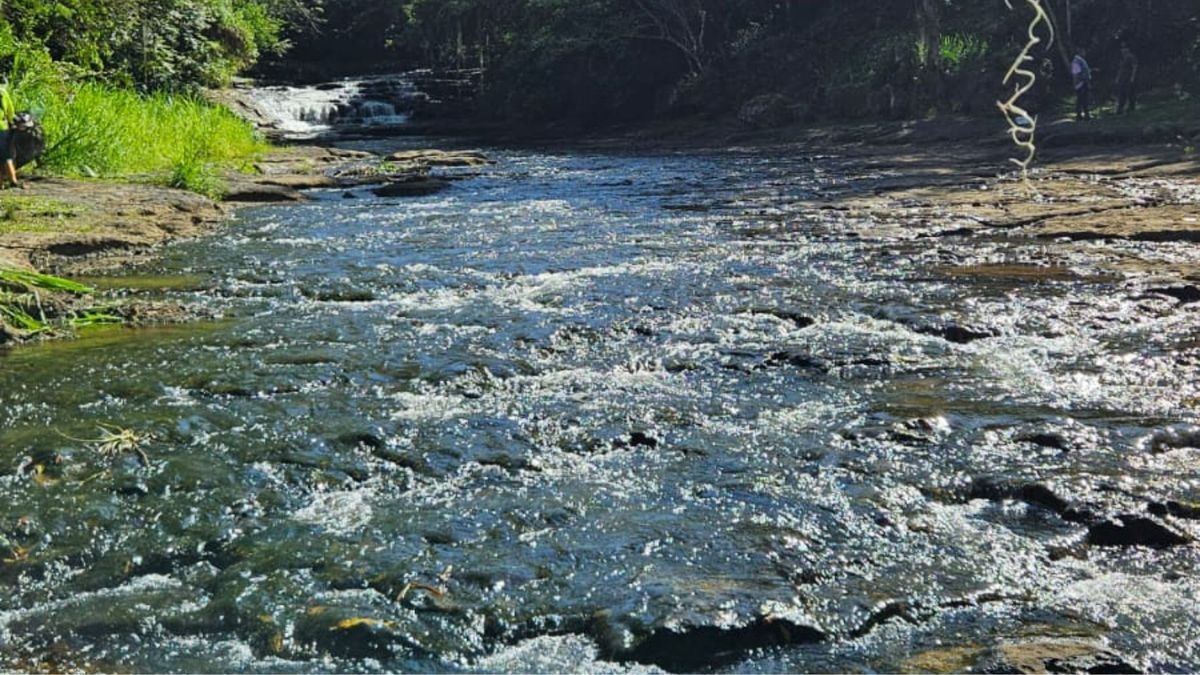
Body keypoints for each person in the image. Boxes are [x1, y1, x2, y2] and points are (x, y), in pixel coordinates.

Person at [1115, 43, 1139, 114]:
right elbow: (1120, 69)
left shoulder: (1131, 57)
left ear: (1128, 49)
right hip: (1123, 78)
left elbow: (1135, 67)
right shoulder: (1122, 58)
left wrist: (1132, 77)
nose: (1123, 50)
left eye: (1125, 48)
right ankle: (1120, 108)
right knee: (1122, 93)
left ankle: (1131, 107)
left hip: (1128, 77)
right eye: (1122, 48)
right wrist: (1117, 78)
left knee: (1130, 93)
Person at [1071, 47, 1093, 121]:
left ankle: (1085, 114)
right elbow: (1076, 73)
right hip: (1081, 83)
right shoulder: (1077, 61)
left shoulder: (1080, 60)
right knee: (1082, 100)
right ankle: (1080, 115)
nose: (1085, 53)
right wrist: (1081, 82)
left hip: (1082, 82)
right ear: (1080, 52)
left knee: (1084, 99)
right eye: (1083, 51)